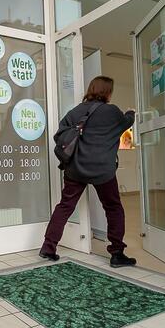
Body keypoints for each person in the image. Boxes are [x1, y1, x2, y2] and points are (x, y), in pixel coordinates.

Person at [40, 76, 137, 268]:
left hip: (75, 169)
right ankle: (117, 253)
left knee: (65, 206)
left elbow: (59, 135)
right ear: (108, 92)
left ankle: (48, 247)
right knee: (113, 208)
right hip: (103, 170)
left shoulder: (76, 111)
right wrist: (131, 113)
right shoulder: (112, 111)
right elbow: (126, 123)